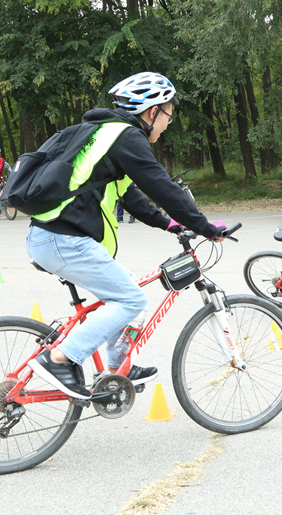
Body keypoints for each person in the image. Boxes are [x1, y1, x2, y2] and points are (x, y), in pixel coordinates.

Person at [26, 72, 225, 400]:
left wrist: (170, 225)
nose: (167, 124)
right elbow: (161, 186)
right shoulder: (126, 136)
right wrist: (207, 227)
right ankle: (59, 359)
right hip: (63, 240)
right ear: (153, 111)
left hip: (52, 238)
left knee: (130, 288)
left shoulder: (105, 136)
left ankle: (118, 368)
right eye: (169, 115)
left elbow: (132, 197)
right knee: (132, 299)